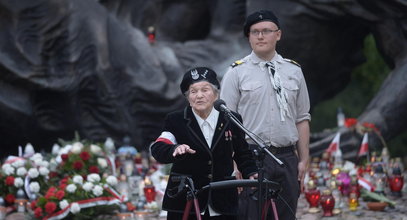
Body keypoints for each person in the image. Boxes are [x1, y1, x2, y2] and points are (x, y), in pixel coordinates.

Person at [220, 9, 311, 220]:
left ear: (278, 34)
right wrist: (234, 165)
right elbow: (226, 124)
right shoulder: (236, 72)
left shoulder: (294, 71)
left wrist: (303, 160)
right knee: (250, 215)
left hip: (287, 158)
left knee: (286, 215)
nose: (260, 36)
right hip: (251, 158)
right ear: (249, 37)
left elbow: (302, 118)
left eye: (266, 31)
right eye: (255, 32)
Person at [150, 67, 258, 220]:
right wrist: (174, 148)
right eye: (193, 92)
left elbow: (242, 152)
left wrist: (251, 171)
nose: (199, 96)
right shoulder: (176, 120)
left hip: (223, 200)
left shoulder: (231, 119)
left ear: (216, 94)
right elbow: (158, 147)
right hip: (186, 201)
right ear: (188, 97)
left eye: (205, 90)